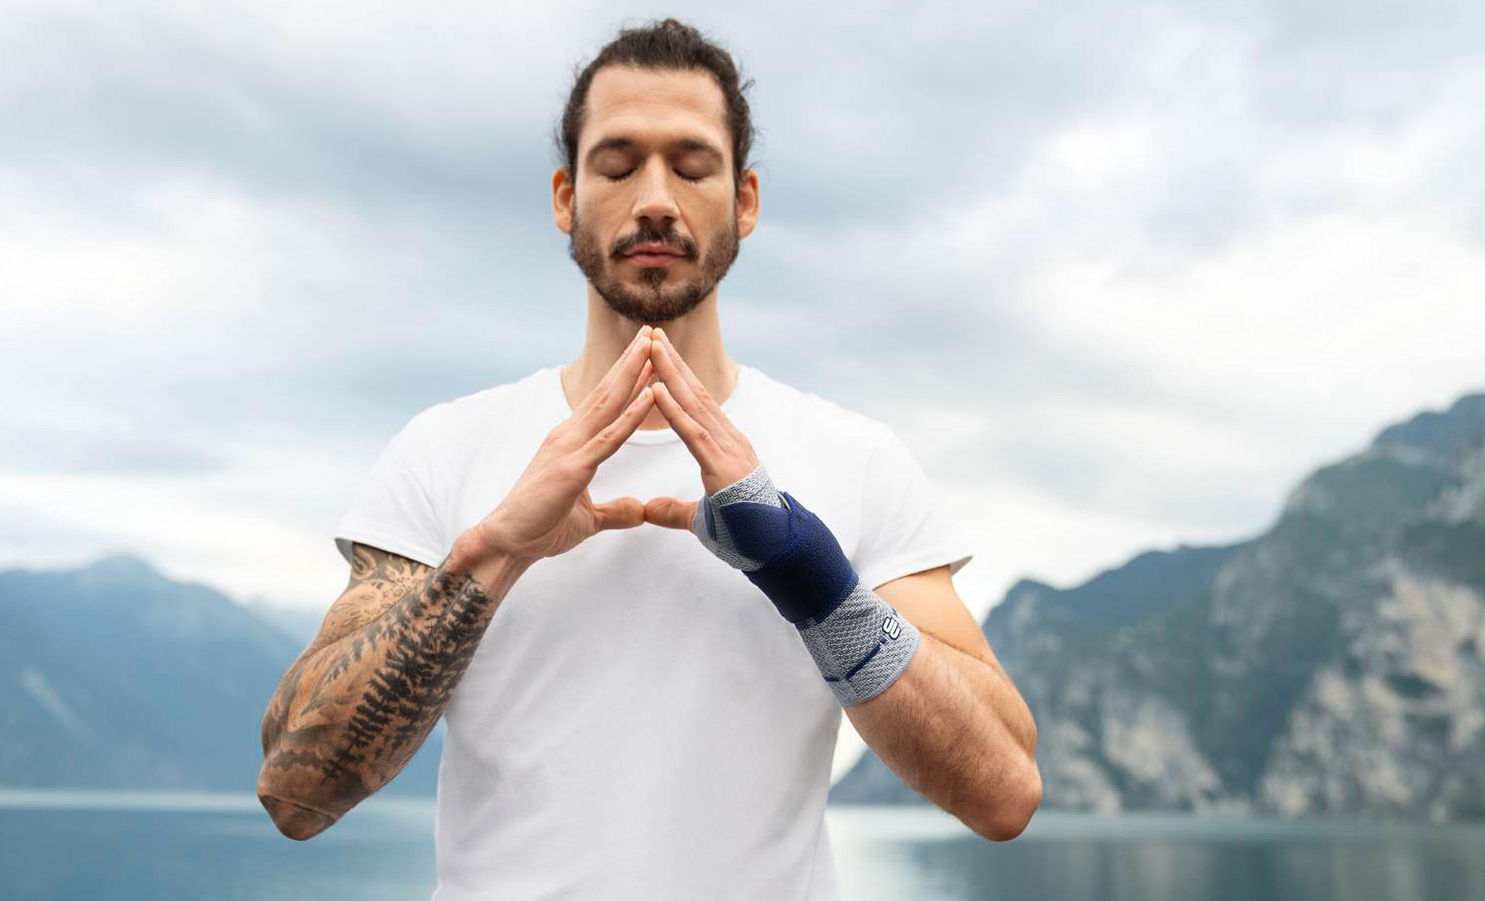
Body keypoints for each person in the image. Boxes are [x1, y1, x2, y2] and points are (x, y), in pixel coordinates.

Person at [257, 17, 1041, 899]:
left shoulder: (854, 458)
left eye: (693, 165)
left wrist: (812, 579)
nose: (656, 198)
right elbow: (295, 790)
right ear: (566, 197)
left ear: (745, 200)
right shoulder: (445, 450)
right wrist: (492, 554)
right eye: (619, 164)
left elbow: (1005, 790)